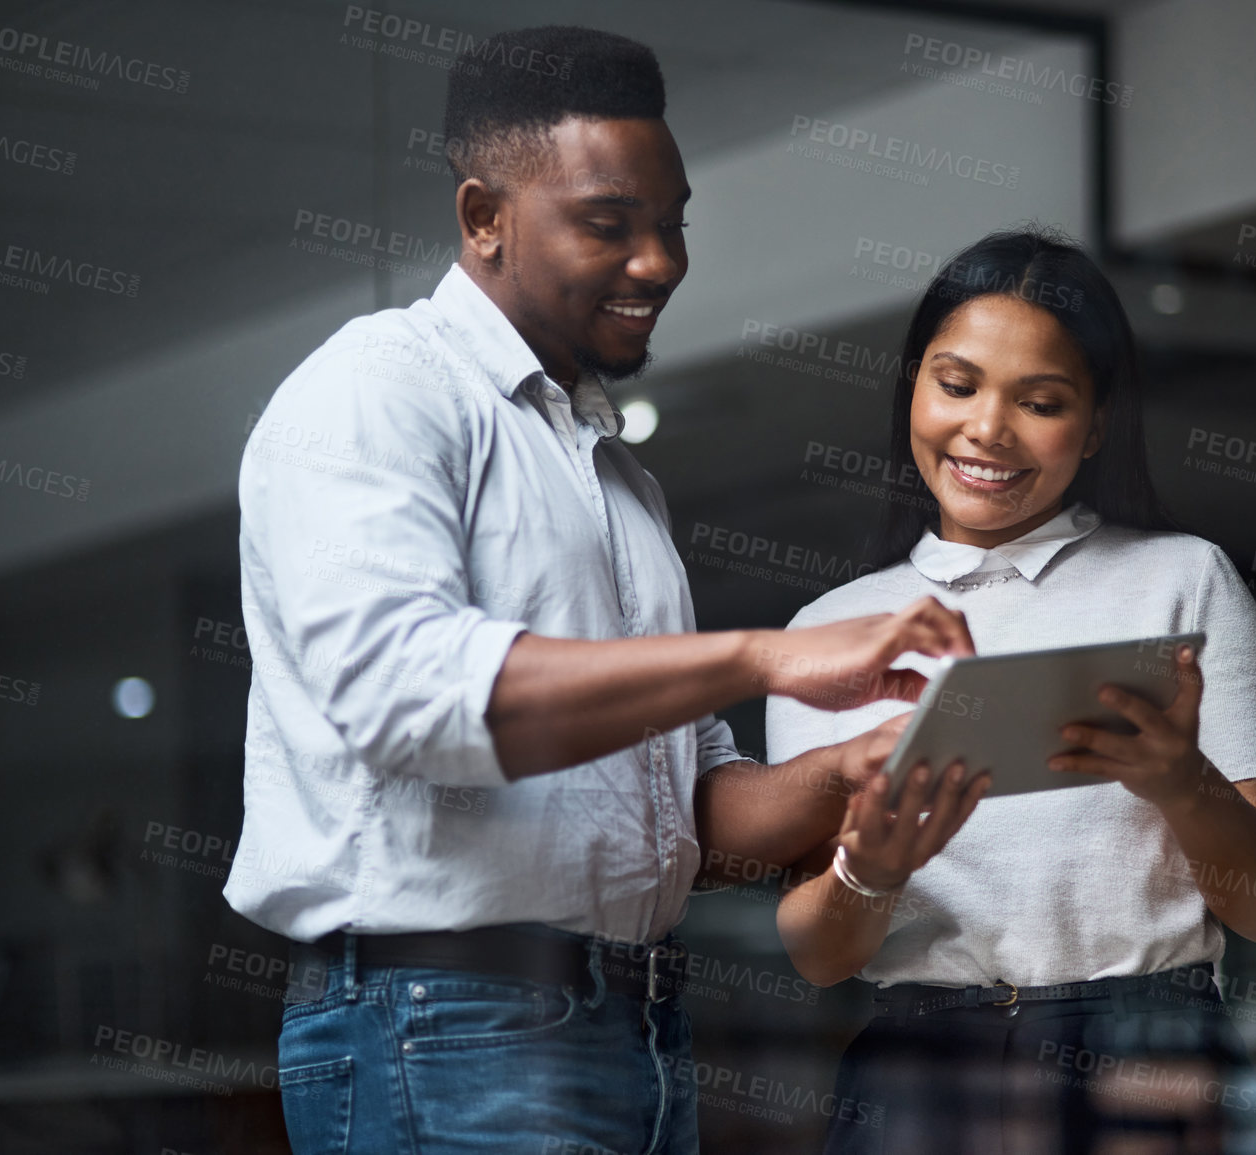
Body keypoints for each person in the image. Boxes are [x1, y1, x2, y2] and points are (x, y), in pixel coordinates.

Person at [225, 26, 974, 1155]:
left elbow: (687, 812)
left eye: (672, 223)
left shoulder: (616, 478)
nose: (661, 260)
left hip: (633, 1023)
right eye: (609, 224)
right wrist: (761, 655)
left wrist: (861, 773)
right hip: (442, 1025)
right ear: (484, 218)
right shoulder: (374, 392)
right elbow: (410, 699)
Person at [769, 228, 1256, 1154]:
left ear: (1095, 425)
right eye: (956, 384)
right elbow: (820, 958)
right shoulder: (828, 631)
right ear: (913, 388)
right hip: (922, 1070)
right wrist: (875, 867)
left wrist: (1180, 782)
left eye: (1042, 401)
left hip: (1148, 1049)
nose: (987, 428)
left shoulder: (1182, 580)